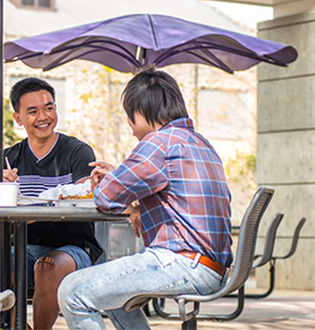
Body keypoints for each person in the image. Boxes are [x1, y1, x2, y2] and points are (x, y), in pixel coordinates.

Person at [57, 67, 232, 330]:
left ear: (140, 111)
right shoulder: (200, 143)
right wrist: (131, 194)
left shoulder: (157, 144)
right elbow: (166, 187)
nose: (130, 129)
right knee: (112, 296)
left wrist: (117, 185)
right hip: (212, 266)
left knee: (73, 291)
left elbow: (105, 198)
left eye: (130, 118)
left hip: (183, 263)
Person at [0, 77, 102, 330]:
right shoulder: (7, 157)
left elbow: (84, 195)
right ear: (18, 119)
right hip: (22, 246)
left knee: (47, 267)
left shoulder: (78, 152)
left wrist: (40, 210)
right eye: (33, 111)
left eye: (49, 108)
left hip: (72, 247)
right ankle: (18, 327)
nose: (43, 116)